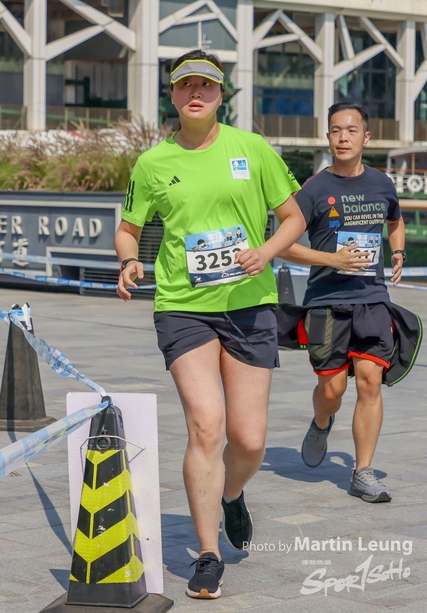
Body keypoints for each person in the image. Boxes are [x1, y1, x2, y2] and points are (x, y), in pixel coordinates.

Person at [115, 49, 306, 599]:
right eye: (185, 85)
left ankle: (231, 494)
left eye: (206, 84)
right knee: (206, 426)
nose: (195, 92)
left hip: (249, 305)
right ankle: (207, 553)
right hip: (183, 305)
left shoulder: (252, 148)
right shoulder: (153, 163)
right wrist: (129, 260)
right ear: (172, 94)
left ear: (222, 94)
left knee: (248, 440)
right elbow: (128, 229)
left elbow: (293, 217)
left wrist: (266, 251)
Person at [281, 102, 406, 504]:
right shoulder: (314, 189)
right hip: (326, 301)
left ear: (366, 137)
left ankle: (362, 472)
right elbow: (284, 246)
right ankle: (322, 420)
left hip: (372, 299)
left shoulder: (382, 183)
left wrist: (398, 250)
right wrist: (332, 259)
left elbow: (395, 220)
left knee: (371, 381)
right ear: (328, 137)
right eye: (336, 130)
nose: (343, 137)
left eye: (351, 130)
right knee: (332, 390)